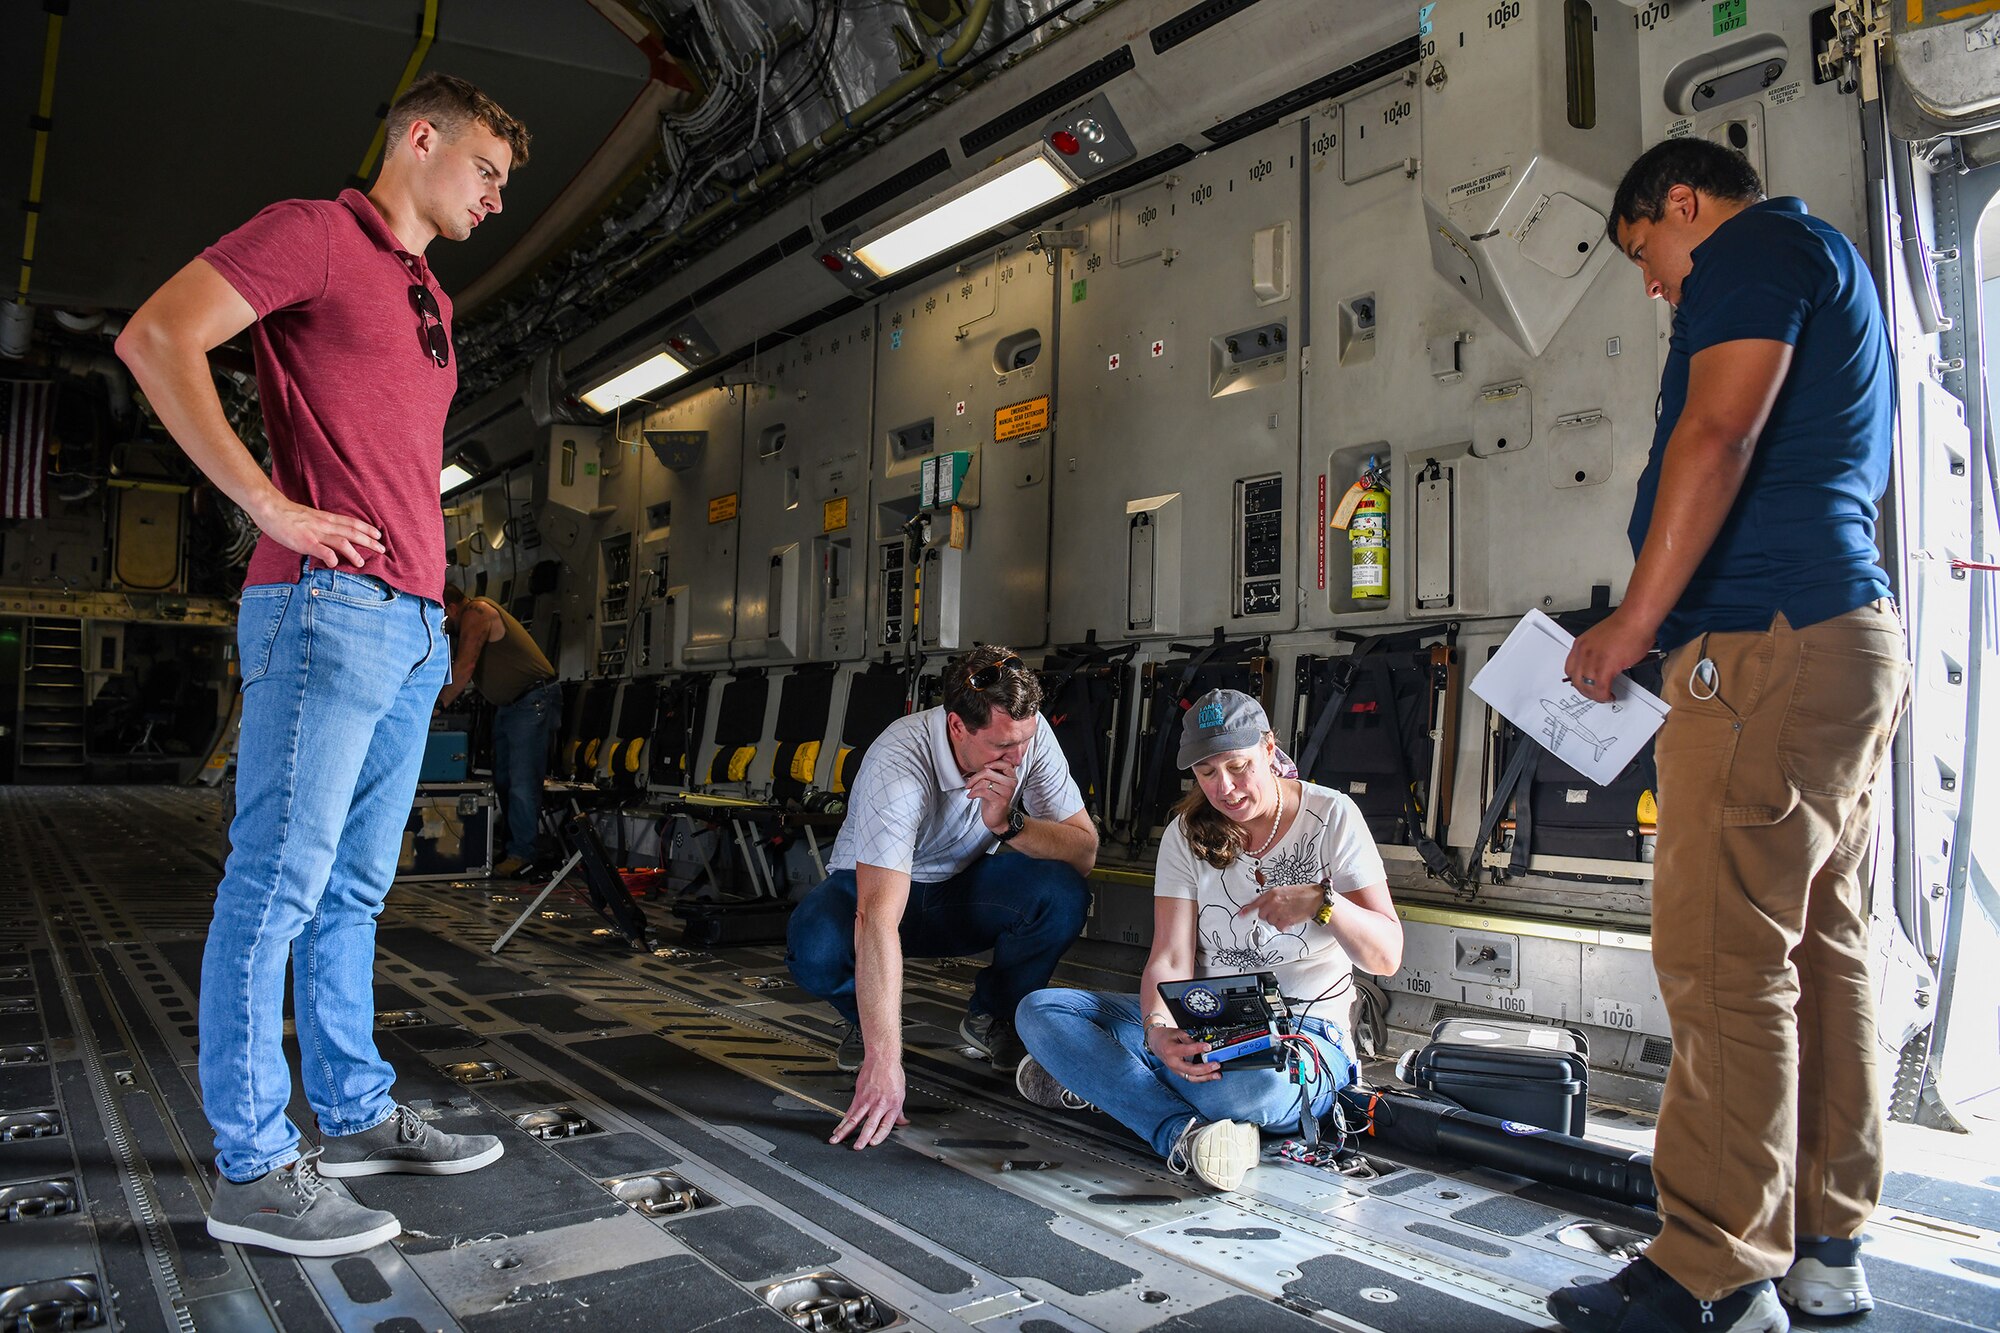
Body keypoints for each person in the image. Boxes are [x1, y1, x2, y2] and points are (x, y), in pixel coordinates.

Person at [116, 74, 531, 1257]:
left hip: (402, 623)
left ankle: (349, 1110)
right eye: (487, 171)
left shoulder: (427, 289)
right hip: (324, 606)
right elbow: (156, 337)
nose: (497, 198)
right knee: (276, 884)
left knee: (353, 888)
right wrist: (269, 505)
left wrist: (436, 609)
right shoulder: (315, 233)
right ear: (419, 137)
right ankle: (252, 1163)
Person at [1554, 139, 1909, 1332]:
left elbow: (1715, 438)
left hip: (1762, 652)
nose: (1654, 286)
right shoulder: (1831, 263)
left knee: (1720, 960)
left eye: (1644, 253)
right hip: (1839, 643)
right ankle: (1821, 1251)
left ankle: (1709, 1269)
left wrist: (1633, 625)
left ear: (1682, 205)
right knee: (1820, 957)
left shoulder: (1751, 251)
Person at [1014, 689, 1402, 1191]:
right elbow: (1171, 956)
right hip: (1206, 1020)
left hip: (1303, 1035)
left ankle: (1106, 1081)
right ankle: (1184, 1132)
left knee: (1251, 1089)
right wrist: (1157, 1029)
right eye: (1207, 773)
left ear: (1268, 748)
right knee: (1040, 1011)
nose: (1226, 788)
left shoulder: (1332, 816)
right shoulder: (1185, 833)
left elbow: (1386, 956)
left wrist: (1324, 902)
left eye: (1238, 766)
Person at [786, 644, 1098, 1150]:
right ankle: (864, 1025)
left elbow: (1083, 852)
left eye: (1023, 741)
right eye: (1000, 746)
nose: (1016, 757)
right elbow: (877, 918)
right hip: (877, 893)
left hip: (962, 889)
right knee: (815, 947)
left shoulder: (1027, 735)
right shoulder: (898, 758)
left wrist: (1009, 823)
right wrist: (885, 1063)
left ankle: (995, 1015)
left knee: (1062, 892)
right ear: (957, 727)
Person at [437, 583, 560, 877]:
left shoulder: (477, 612)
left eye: (442, 616)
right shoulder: (468, 616)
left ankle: (523, 854)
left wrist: (437, 706)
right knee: (504, 779)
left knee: (521, 781)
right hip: (511, 706)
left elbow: (464, 666)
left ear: (451, 608)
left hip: (532, 701)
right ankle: (515, 849)